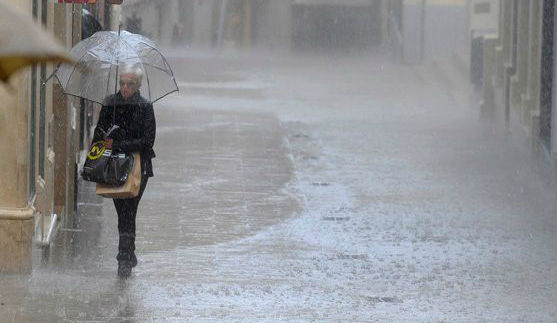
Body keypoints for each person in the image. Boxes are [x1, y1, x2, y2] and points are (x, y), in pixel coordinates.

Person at [92, 63, 156, 278]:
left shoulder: (145, 106)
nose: (125, 87)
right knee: (123, 212)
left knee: (129, 210)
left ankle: (124, 258)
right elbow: (99, 134)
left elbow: (148, 141)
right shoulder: (110, 104)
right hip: (114, 166)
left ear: (138, 85)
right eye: (122, 83)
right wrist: (99, 151)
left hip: (139, 166)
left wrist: (122, 144)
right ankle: (128, 253)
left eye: (130, 83)